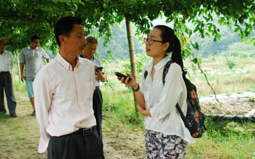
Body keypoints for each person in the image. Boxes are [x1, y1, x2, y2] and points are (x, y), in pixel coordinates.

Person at [118, 25, 194, 158]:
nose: (147, 43)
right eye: (147, 39)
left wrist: (145, 113)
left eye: (152, 40)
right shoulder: (147, 70)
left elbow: (166, 106)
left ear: (165, 46)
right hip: (151, 130)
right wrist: (135, 86)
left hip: (170, 133)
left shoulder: (173, 69)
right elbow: (145, 103)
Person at [33, 17, 104, 159]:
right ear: (63, 39)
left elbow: (88, 100)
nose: (84, 41)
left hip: (91, 138)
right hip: (64, 142)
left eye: (84, 36)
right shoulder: (46, 74)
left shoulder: (88, 67)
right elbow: (42, 114)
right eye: (79, 36)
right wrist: (54, 141)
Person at [81, 36, 106, 141]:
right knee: (83, 119)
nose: (92, 51)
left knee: (97, 118)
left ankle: (98, 141)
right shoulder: (77, 60)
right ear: (84, 47)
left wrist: (99, 74)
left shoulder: (97, 61)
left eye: (94, 49)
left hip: (95, 92)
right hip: (81, 93)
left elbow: (103, 79)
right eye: (90, 48)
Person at [19, 35, 49, 116]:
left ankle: (42, 109)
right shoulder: (24, 51)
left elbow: (47, 58)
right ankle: (35, 110)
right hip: (28, 76)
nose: (37, 44)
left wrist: (48, 69)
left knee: (41, 93)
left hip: (39, 76)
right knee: (31, 94)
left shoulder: (40, 50)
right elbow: (21, 63)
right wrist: (21, 74)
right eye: (35, 43)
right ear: (31, 42)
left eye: (38, 43)